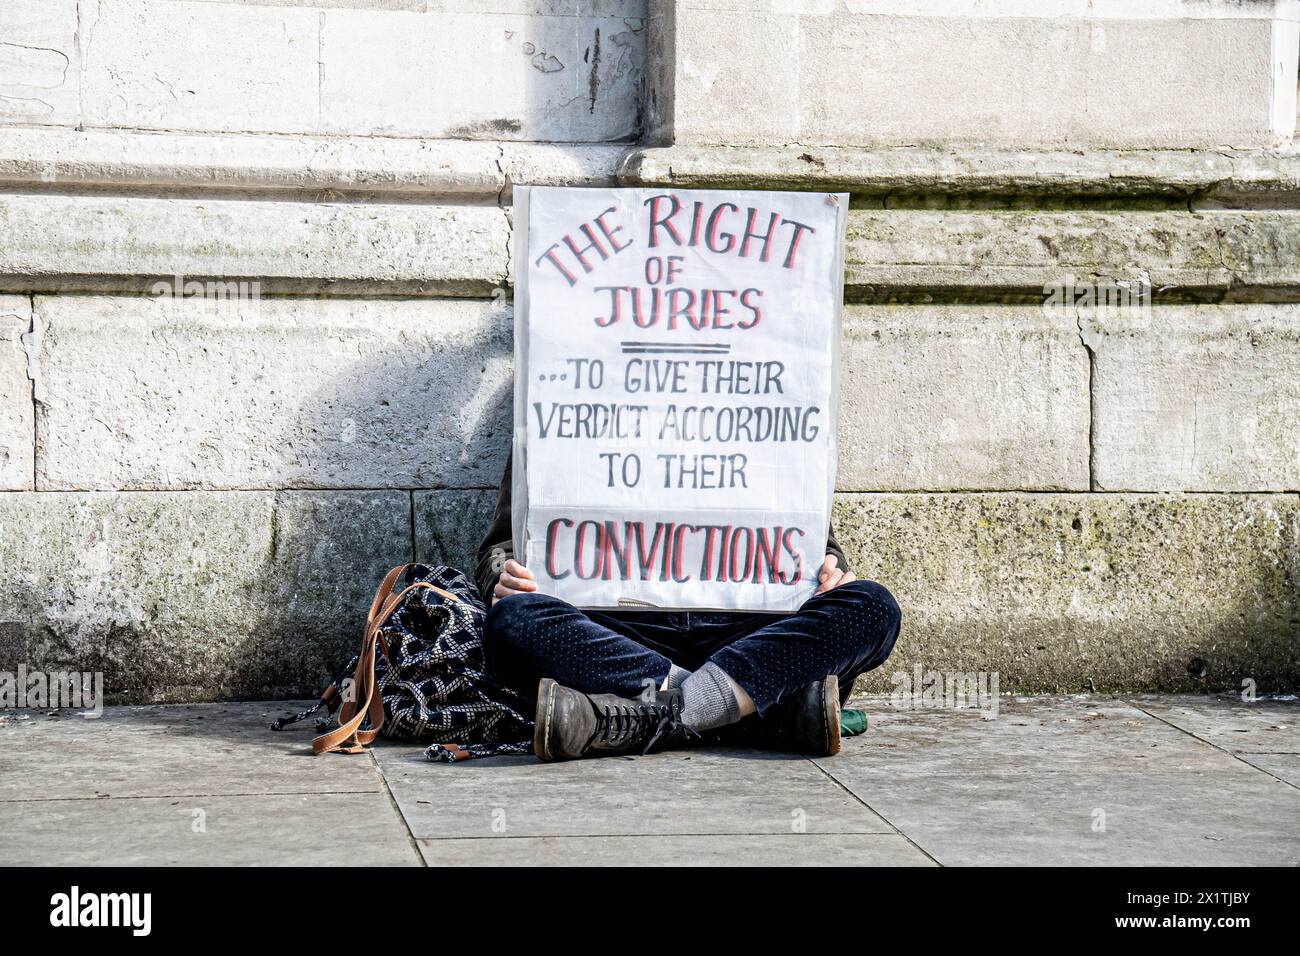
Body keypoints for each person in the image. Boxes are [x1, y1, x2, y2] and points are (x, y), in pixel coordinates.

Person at [477, 452, 901, 762]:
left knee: (871, 606)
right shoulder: (558, 408)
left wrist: (831, 572)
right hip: (620, 631)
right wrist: (504, 577)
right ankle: (760, 711)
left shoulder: (772, 404)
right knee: (513, 620)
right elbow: (501, 549)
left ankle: (636, 717)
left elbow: (814, 545)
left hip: (751, 632)